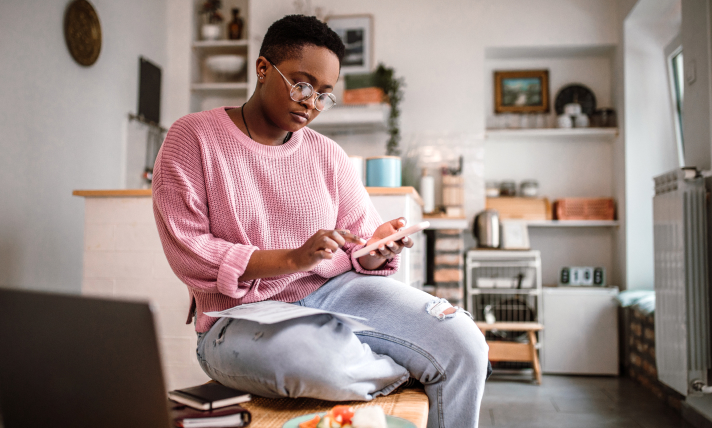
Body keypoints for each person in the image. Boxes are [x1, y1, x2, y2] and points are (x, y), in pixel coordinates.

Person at [152, 14, 489, 428]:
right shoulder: (193, 137)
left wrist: (373, 249)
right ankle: (411, 367)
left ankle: (391, 363)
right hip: (238, 318)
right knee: (308, 359)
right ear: (262, 69)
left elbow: (357, 245)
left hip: (337, 294)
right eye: (302, 84)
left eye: (324, 94)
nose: (311, 102)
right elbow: (188, 250)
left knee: (465, 343)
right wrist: (292, 259)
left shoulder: (327, 153)